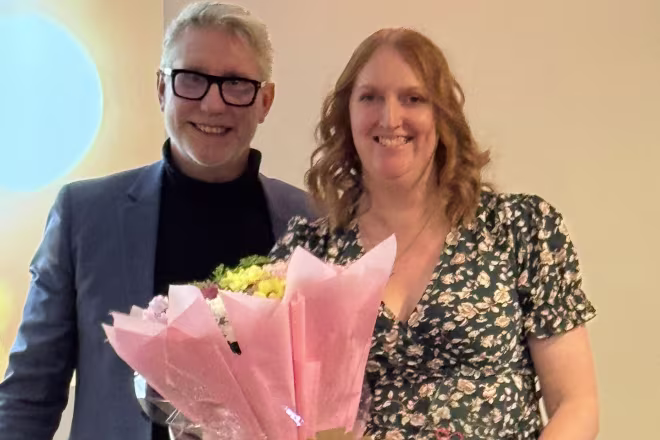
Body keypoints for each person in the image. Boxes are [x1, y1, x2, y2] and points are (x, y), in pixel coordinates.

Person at [0, 3, 315, 440]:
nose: (212, 103)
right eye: (191, 78)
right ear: (162, 89)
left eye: (236, 84)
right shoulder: (84, 215)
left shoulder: (308, 221)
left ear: (265, 101)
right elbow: (29, 394)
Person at [271, 28, 598, 439]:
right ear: (346, 115)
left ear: (442, 116)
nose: (390, 118)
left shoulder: (520, 229)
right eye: (370, 97)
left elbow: (575, 404)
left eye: (413, 98)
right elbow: (280, 409)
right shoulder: (308, 254)